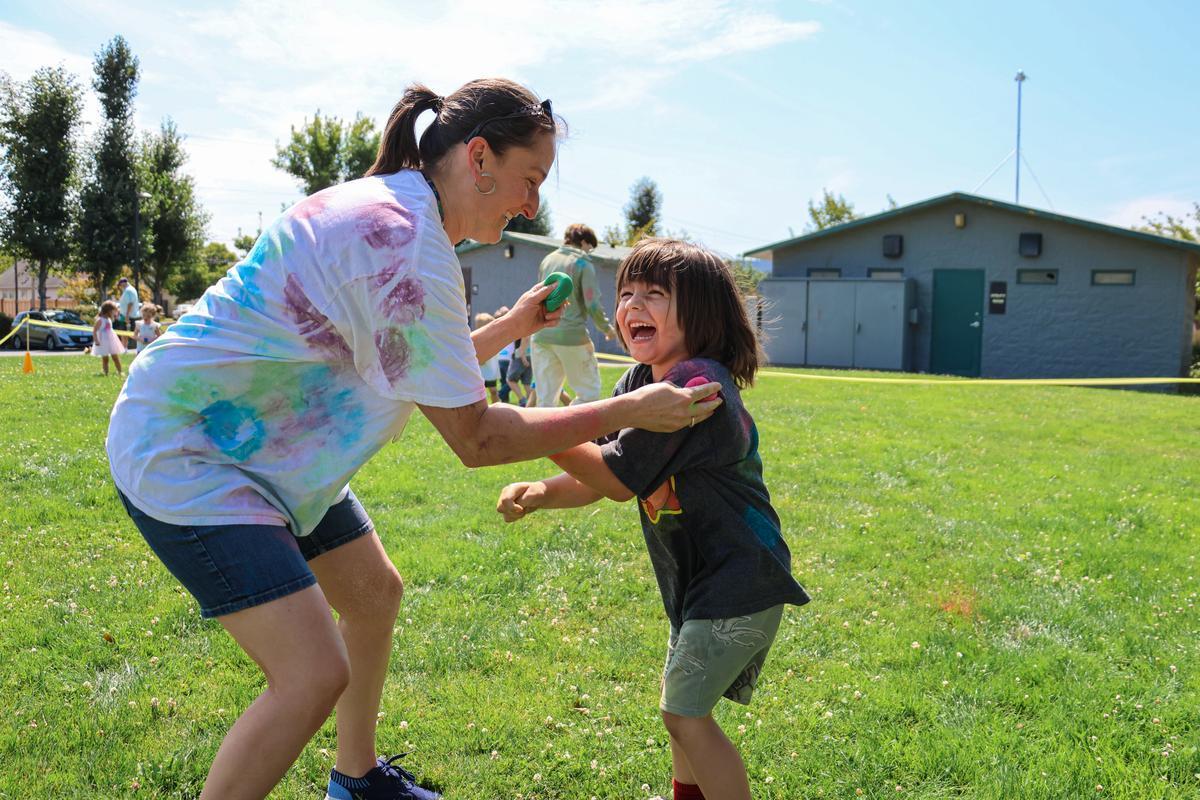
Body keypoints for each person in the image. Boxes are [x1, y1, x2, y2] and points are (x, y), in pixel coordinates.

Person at [105, 80, 721, 800]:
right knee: (310, 675)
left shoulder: (394, 209)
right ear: (480, 158)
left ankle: (356, 779)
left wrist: (513, 327)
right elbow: (475, 435)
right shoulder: (407, 243)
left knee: (371, 594)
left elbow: (414, 359)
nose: (532, 206)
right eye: (531, 182)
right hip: (191, 455)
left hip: (268, 453)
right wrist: (630, 412)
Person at [496, 239, 808, 800]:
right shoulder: (639, 385)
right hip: (700, 583)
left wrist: (536, 430)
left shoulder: (696, 386)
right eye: (626, 294)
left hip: (740, 579)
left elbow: (616, 478)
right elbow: (610, 476)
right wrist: (544, 491)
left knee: (684, 714)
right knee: (680, 707)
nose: (632, 305)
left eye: (654, 294)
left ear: (702, 311)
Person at [529, 223, 616, 406]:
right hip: (571, 336)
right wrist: (607, 328)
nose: (589, 251)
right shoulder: (582, 263)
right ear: (583, 242)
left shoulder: (547, 260)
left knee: (545, 400)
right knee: (589, 395)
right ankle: (571, 432)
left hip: (541, 335)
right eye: (590, 247)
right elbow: (592, 302)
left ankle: (548, 433)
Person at [92, 299, 126, 376]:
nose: (114, 312)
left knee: (115, 356)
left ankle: (120, 371)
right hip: (103, 341)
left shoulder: (109, 319)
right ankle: (105, 372)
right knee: (105, 358)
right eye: (113, 310)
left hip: (111, 340)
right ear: (108, 311)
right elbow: (94, 330)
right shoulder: (100, 320)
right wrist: (96, 340)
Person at [474, 312, 501, 403]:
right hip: (481, 369)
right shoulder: (477, 337)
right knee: (478, 392)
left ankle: (496, 406)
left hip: (490, 368)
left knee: (493, 390)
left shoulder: (494, 337)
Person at [504, 334, 532, 406]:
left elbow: (526, 336)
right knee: (527, 383)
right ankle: (530, 404)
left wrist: (522, 356)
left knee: (510, 380)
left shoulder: (524, 324)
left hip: (520, 355)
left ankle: (523, 400)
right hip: (530, 354)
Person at [494, 306, 513, 403]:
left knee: (505, 381)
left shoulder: (496, 327)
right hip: (507, 358)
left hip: (501, 358)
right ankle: (501, 395)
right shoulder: (510, 327)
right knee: (511, 381)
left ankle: (504, 400)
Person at [117, 277, 140, 344]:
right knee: (123, 332)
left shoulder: (129, 290)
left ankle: (126, 348)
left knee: (126, 333)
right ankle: (124, 348)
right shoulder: (127, 290)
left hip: (128, 316)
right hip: (125, 315)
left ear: (124, 283)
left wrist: (127, 315)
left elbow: (130, 303)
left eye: (121, 284)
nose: (120, 286)